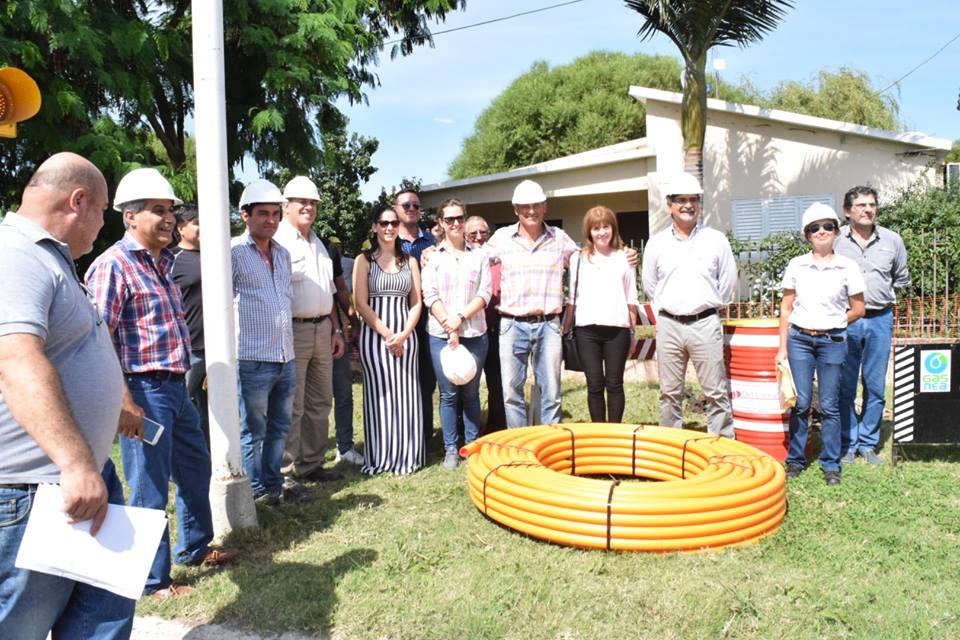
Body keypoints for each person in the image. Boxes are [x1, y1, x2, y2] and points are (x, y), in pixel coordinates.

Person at [0, 153, 136, 637]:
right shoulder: (14, 253)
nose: (103, 224)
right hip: (42, 489)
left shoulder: (50, 256)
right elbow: (16, 359)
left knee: (104, 614)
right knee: (21, 627)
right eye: (102, 210)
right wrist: (76, 463)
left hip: (82, 476)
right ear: (78, 201)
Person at [86, 168, 235, 600]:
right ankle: (153, 581)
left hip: (175, 386)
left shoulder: (161, 263)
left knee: (195, 468)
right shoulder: (113, 266)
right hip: (142, 392)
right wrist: (124, 402)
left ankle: (193, 547)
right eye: (157, 210)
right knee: (149, 487)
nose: (168, 218)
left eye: (170, 210)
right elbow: (100, 344)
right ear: (129, 217)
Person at [641, 173, 738, 438]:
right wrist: (669, 309)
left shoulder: (716, 240)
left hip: (705, 324)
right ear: (669, 205)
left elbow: (728, 283)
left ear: (699, 203)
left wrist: (705, 305)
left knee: (715, 391)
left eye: (693, 199)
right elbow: (650, 285)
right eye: (681, 200)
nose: (687, 205)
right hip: (669, 325)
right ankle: (670, 447)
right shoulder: (656, 243)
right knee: (669, 392)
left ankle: (722, 447)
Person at [776, 203, 866, 485]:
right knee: (801, 403)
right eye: (815, 228)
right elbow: (786, 309)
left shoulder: (847, 266)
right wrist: (781, 349)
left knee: (829, 405)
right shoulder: (797, 265)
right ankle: (795, 460)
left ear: (836, 231)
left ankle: (830, 464)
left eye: (827, 226)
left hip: (832, 341)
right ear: (807, 235)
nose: (822, 231)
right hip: (800, 341)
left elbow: (858, 308)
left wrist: (836, 322)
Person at [273, 176, 353, 483]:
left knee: (321, 401)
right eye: (302, 202)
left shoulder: (319, 243)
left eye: (313, 203)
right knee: (292, 405)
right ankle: (285, 474)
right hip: (293, 331)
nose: (309, 207)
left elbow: (329, 292)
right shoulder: (278, 242)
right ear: (286, 206)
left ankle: (311, 464)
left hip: (323, 330)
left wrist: (336, 329)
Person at [485, 180, 578, 427]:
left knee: (552, 393)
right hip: (511, 325)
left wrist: (623, 254)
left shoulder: (559, 238)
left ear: (545, 207)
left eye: (536, 205)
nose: (531, 211)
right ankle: (519, 448)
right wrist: (434, 251)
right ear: (515, 209)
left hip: (549, 325)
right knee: (511, 393)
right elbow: (474, 260)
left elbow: (586, 260)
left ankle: (550, 447)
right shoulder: (501, 238)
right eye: (525, 206)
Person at [231, 179, 300, 505]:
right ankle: (255, 493)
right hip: (252, 358)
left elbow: (284, 298)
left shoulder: (283, 254)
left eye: (275, 214)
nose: (271, 220)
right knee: (253, 431)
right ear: (245, 215)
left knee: (279, 428)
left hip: (285, 357)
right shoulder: (232, 253)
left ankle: (273, 487)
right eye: (263, 214)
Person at [835, 186, 909, 465]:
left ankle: (868, 442)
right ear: (847, 210)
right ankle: (848, 442)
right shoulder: (835, 240)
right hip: (846, 321)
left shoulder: (892, 240)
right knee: (845, 385)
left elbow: (900, 278)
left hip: (880, 319)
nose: (868, 210)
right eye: (861, 205)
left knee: (876, 385)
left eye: (872, 205)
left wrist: (881, 298)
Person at [421, 199, 492, 469]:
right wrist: (449, 324)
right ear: (440, 222)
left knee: (471, 393)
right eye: (449, 219)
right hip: (440, 335)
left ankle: (471, 445)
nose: (455, 223)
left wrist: (459, 318)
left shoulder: (480, 255)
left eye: (459, 218)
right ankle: (451, 448)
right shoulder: (433, 257)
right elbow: (430, 294)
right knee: (449, 393)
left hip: (474, 332)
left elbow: (484, 293)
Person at [353, 206, 424, 474]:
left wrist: (403, 334)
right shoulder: (364, 261)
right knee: (379, 395)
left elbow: (416, 302)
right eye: (383, 223)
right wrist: (387, 334)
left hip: (406, 337)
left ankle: (407, 455)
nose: (389, 227)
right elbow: (360, 302)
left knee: (406, 394)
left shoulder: (410, 262)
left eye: (394, 222)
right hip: (375, 339)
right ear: (374, 227)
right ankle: (382, 456)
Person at [563, 206, 639, 423]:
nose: (602, 232)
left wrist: (632, 332)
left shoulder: (625, 257)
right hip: (586, 330)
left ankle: (614, 431)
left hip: (617, 330)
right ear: (589, 232)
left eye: (606, 227)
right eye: (596, 228)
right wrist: (566, 329)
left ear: (613, 229)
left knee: (614, 384)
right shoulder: (578, 259)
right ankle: (599, 430)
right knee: (594, 384)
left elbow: (631, 298)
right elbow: (572, 299)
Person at [394, 189, 437, 448]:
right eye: (406, 204)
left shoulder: (431, 243)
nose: (411, 208)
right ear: (396, 208)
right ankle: (401, 435)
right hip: (396, 322)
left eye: (416, 205)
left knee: (426, 380)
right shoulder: (387, 240)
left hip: (426, 324)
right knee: (399, 381)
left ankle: (425, 435)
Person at [464, 215, 506, 432]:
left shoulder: (499, 260)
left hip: (497, 328)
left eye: (483, 233)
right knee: (467, 383)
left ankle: (496, 426)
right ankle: (468, 429)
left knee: (497, 383)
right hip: (469, 330)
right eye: (473, 233)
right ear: (465, 235)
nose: (479, 237)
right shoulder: (461, 259)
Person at [171, 204, 208, 446]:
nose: (203, 227)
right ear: (181, 228)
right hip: (189, 350)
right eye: (196, 222)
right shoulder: (171, 259)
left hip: (217, 350)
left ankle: (209, 462)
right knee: (183, 409)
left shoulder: (217, 256)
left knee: (210, 413)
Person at [327, 235, 362, 465]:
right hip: (298, 331)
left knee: (343, 392)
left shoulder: (325, 249)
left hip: (335, 327)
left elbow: (339, 290)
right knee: (307, 401)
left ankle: (345, 447)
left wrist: (350, 321)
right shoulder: (281, 244)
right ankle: (304, 457)